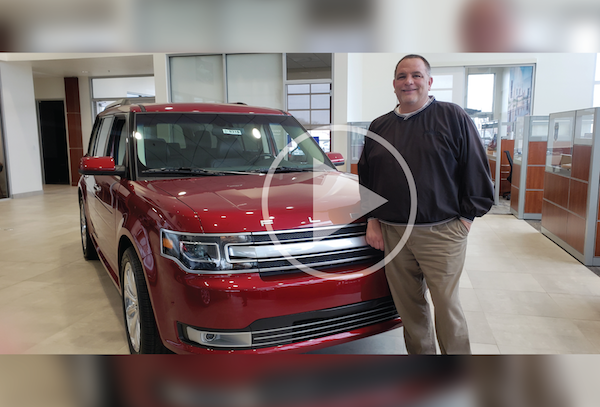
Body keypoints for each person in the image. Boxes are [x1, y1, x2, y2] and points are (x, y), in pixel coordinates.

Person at [358, 54, 494, 354]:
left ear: (429, 81)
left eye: (416, 75)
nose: (409, 82)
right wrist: (373, 220)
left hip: (442, 232)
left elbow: (475, 168)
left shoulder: (452, 116)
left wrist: (467, 219)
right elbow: (367, 177)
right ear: (394, 84)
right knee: (410, 308)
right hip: (393, 233)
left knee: (447, 307)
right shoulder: (379, 126)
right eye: (402, 76)